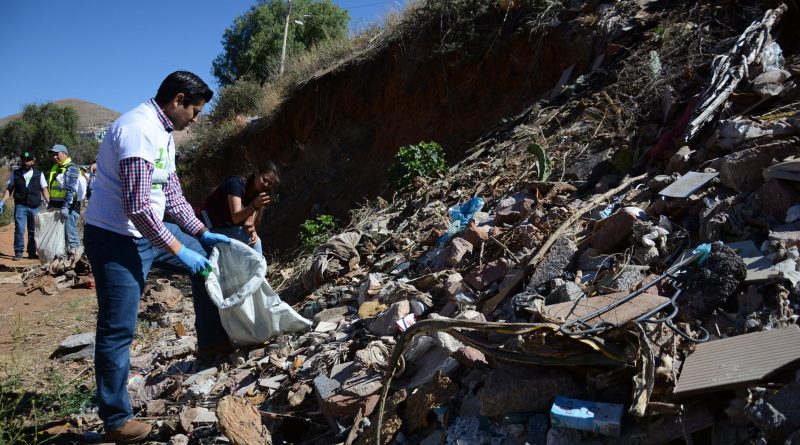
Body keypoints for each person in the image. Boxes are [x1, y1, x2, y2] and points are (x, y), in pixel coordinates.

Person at [84, 71, 231, 443]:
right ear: (178, 100)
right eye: (194, 111)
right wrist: (179, 248)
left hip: (146, 232)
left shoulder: (164, 133)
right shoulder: (138, 130)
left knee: (204, 262)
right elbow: (138, 209)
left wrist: (199, 232)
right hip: (116, 238)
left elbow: (173, 196)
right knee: (118, 329)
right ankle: (117, 419)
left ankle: (212, 342)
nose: (195, 119)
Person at [196, 161, 280, 254]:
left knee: (255, 242)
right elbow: (236, 217)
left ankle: (257, 267)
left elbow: (248, 221)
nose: (266, 184)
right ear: (256, 172)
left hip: (222, 226)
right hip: (204, 224)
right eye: (264, 179)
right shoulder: (236, 183)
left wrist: (252, 230)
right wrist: (254, 206)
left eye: (270, 183)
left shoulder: (256, 195)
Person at [0, 151, 49, 260]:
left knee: (33, 230)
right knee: (19, 229)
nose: (25, 162)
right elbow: (9, 190)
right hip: (20, 206)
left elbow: (44, 190)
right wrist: (2, 202)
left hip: (34, 207)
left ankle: (31, 252)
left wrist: (50, 203)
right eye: (24, 160)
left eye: (28, 160)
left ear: (33, 161)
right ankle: (18, 252)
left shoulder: (39, 174)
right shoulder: (15, 173)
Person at [47, 144, 81, 251]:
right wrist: (51, 204)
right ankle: (64, 263)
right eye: (53, 155)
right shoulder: (56, 167)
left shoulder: (71, 168)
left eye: (57, 154)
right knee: (59, 238)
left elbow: (71, 189)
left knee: (70, 236)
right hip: (56, 207)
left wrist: (66, 206)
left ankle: (76, 262)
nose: (55, 157)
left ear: (65, 154)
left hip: (69, 209)